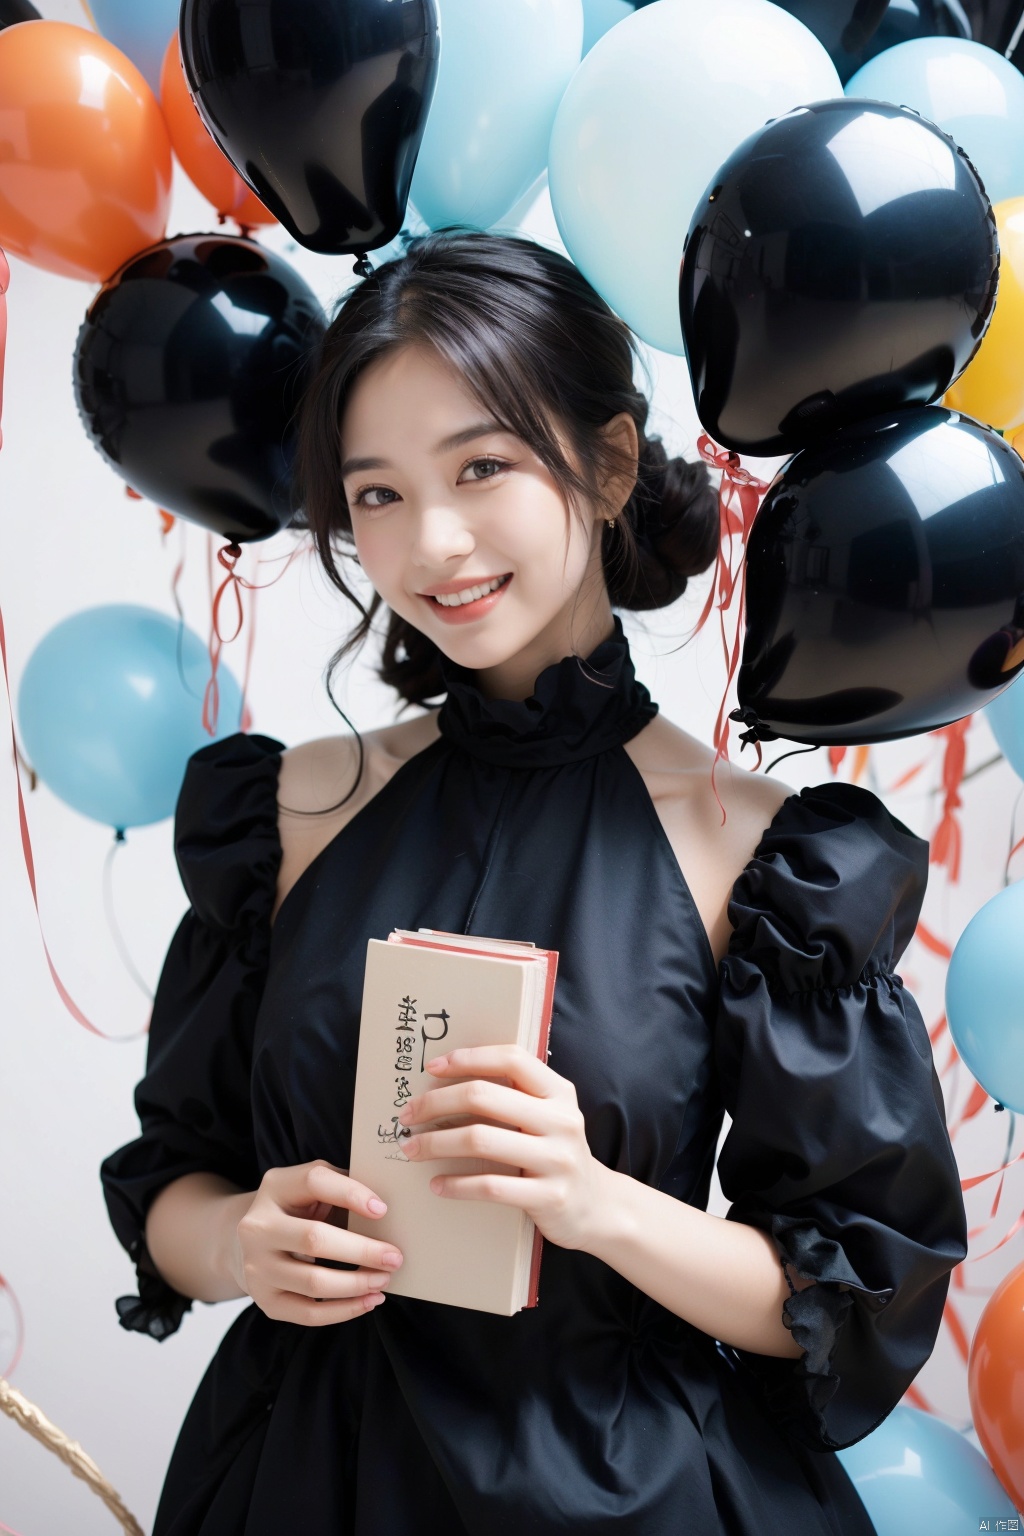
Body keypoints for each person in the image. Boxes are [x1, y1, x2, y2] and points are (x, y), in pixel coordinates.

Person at [100, 229, 968, 1536]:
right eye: (377, 492)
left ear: (609, 460)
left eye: (483, 466)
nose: (432, 543)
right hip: (304, 1477)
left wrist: (593, 1203)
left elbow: (844, 1294)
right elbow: (171, 1182)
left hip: (625, 1486)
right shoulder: (284, 812)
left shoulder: (760, 855)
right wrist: (240, 1242)